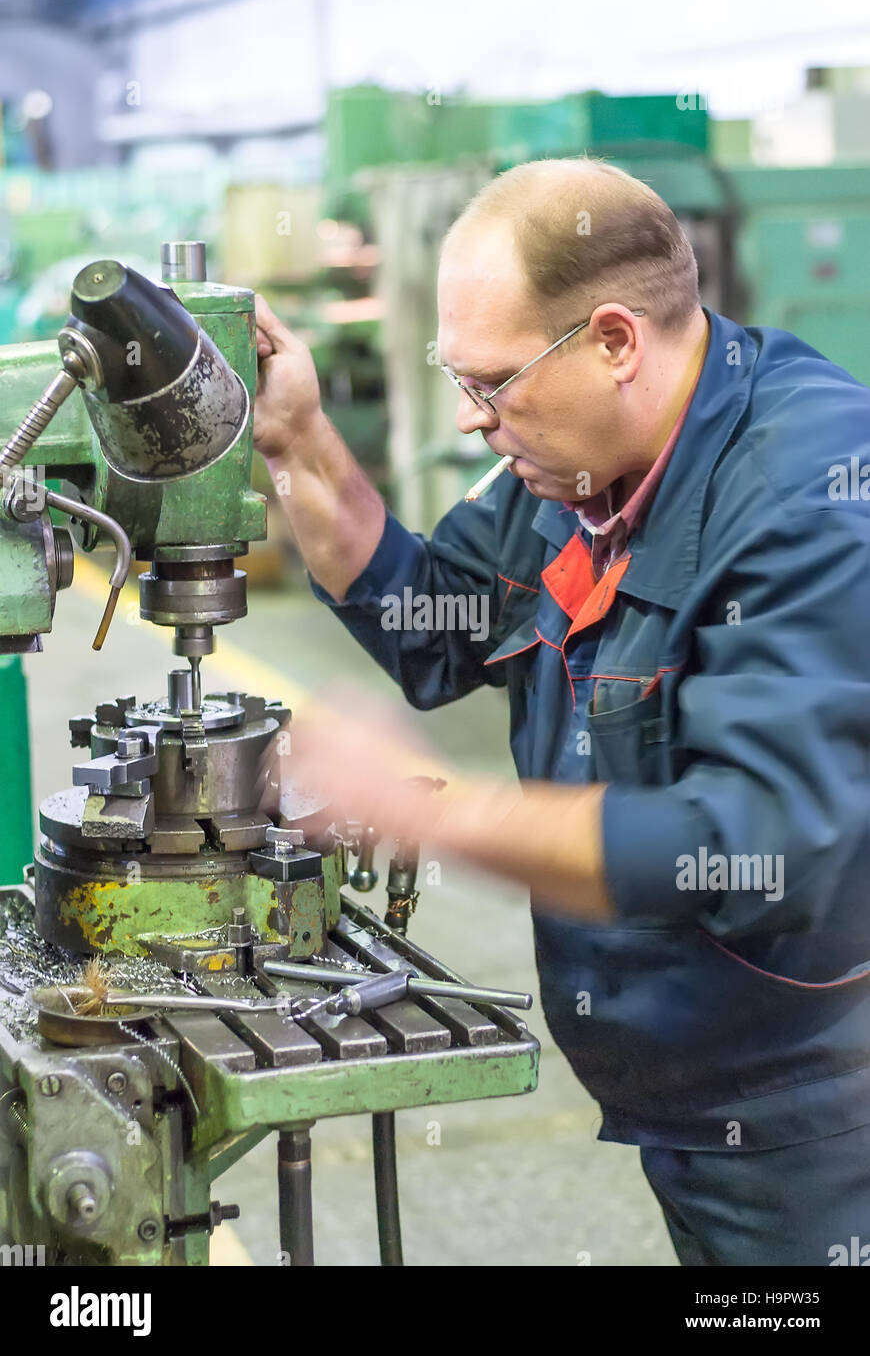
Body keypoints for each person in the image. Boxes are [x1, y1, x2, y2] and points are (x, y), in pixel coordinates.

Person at [252, 157, 870, 1266]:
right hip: (684, 1085)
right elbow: (432, 626)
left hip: (814, 1115)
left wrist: (429, 810)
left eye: (492, 383)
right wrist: (296, 442)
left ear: (616, 341)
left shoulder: (811, 494)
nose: (471, 419)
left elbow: (754, 846)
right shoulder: (579, 466)